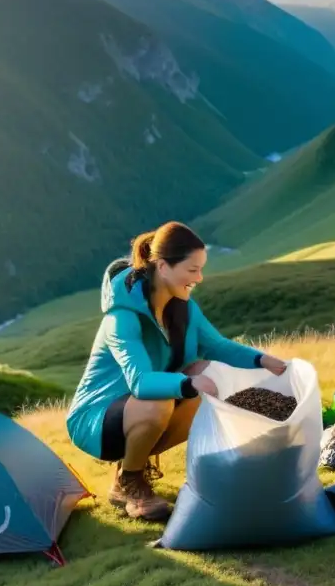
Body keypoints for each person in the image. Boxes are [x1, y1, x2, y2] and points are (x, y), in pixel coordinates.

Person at [65, 221, 287, 522]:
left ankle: (138, 469)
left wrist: (263, 361)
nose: (199, 278)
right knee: (163, 398)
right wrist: (189, 383)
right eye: (192, 270)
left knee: (209, 370)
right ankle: (130, 481)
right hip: (98, 418)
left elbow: (217, 346)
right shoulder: (121, 319)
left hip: (142, 406)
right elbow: (141, 383)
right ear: (162, 267)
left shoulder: (183, 308)